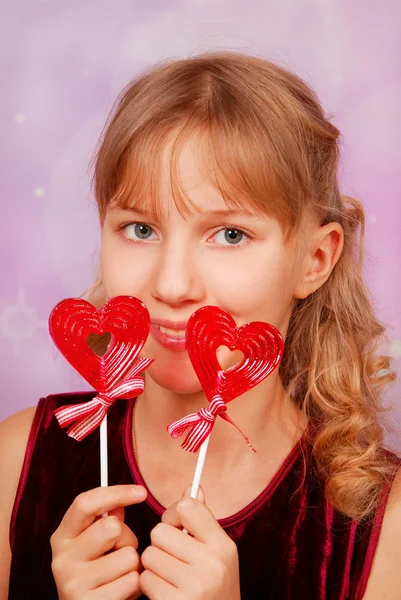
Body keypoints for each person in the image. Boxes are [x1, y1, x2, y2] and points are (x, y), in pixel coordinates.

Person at [0, 50, 400, 600]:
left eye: (230, 235)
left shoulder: (385, 527)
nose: (171, 284)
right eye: (140, 228)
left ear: (315, 259)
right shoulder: (16, 461)